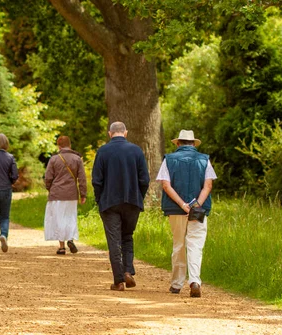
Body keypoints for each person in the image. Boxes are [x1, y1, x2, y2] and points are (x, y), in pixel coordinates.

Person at [156, 129, 216, 297]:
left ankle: (176, 284)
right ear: (193, 144)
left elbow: (166, 186)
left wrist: (183, 205)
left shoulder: (169, 159)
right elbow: (208, 186)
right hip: (199, 209)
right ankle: (195, 280)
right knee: (195, 244)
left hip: (176, 209)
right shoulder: (205, 160)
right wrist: (196, 204)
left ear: (178, 143)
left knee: (179, 244)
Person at [92, 121, 150, 291]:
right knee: (127, 236)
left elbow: (97, 181)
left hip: (109, 202)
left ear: (110, 134)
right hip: (132, 201)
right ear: (126, 133)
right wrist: (139, 197)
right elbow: (144, 180)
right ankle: (127, 271)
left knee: (114, 240)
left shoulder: (102, 151)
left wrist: (99, 200)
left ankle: (119, 281)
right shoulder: (136, 151)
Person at [44, 136, 88, 254]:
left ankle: (62, 246)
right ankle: (70, 239)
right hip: (71, 194)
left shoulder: (54, 159)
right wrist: (83, 194)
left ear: (59, 146)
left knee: (58, 219)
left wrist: (50, 188)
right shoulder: (77, 159)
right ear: (70, 145)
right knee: (70, 217)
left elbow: (48, 177)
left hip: (56, 193)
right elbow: (82, 178)